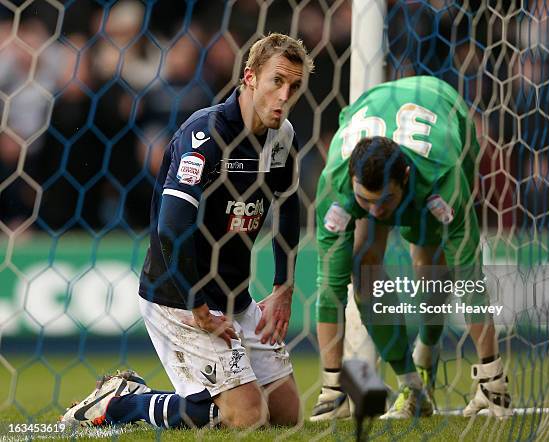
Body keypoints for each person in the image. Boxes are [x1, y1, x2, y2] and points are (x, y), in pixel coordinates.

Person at [61, 33, 314, 429]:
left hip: (234, 296)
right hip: (178, 297)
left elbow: (287, 205)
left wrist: (283, 287)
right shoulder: (206, 134)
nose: (285, 95)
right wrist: (197, 306)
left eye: (294, 86)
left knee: (287, 417)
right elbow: (172, 225)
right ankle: (121, 403)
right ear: (249, 78)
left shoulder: (282, 138)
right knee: (246, 418)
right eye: (276, 81)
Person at [311, 76, 512, 420]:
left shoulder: (443, 177)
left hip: (442, 107)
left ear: (404, 177)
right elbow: (329, 288)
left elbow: (469, 276)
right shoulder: (336, 183)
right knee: (362, 265)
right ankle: (412, 387)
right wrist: (332, 387)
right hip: (373, 101)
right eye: (365, 201)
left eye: (384, 200)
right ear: (353, 184)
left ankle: (427, 354)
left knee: (430, 264)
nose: (374, 211)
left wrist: (492, 375)